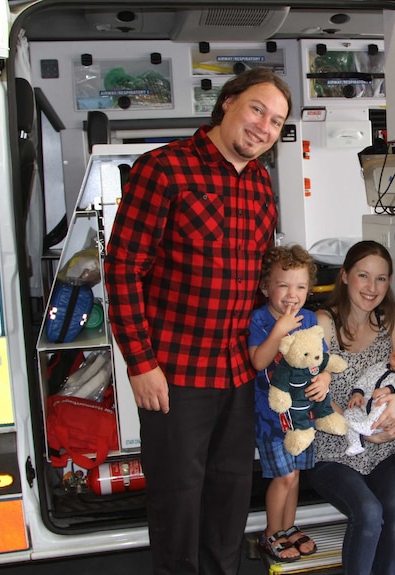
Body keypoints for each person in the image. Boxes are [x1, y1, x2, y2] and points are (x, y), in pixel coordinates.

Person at [103, 68, 291, 575]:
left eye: (276, 122)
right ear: (228, 102)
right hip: (174, 375)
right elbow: (122, 271)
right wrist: (140, 364)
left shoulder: (260, 185)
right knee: (178, 506)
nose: (264, 127)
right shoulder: (162, 169)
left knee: (229, 500)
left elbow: (255, 282)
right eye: (257, 110)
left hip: (235, 372)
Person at [306, 240, 395, 575]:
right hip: (334, 448)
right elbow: (310, 394)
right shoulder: (323, 324)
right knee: (369, 514)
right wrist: (358, 429)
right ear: (344, 276)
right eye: (363, 276)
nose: (372, 288)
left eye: (381, 279)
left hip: (386, 449)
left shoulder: (390, 322)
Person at [247, 245, 327, 562]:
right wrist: (278, 331)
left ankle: (288, 528)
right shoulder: (260, 320)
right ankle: (270, 533)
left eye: (300, 287)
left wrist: (324, 380)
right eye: (283, 285)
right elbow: (257, 361)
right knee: (283, 477)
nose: (292, 295)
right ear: (266, 287)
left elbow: (321, 360)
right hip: (271, 419)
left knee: (295, 476)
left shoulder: (309, 318)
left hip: (301, 417)